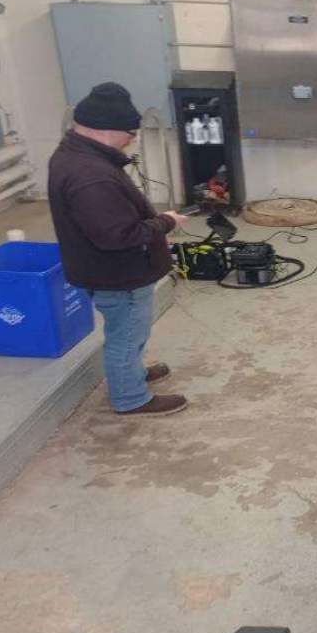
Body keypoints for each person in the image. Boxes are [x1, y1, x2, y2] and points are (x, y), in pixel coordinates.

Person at [47, 82, 190, 417]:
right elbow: (117, 235)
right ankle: (131, 398)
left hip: (106, 269)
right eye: (130, 133)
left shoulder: (75, 155)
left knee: (129, 331)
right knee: (125, 336)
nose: (132, 139)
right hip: (118, 275)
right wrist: (166, 222)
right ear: (107, 129)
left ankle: (131, 375)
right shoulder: (91, 176)